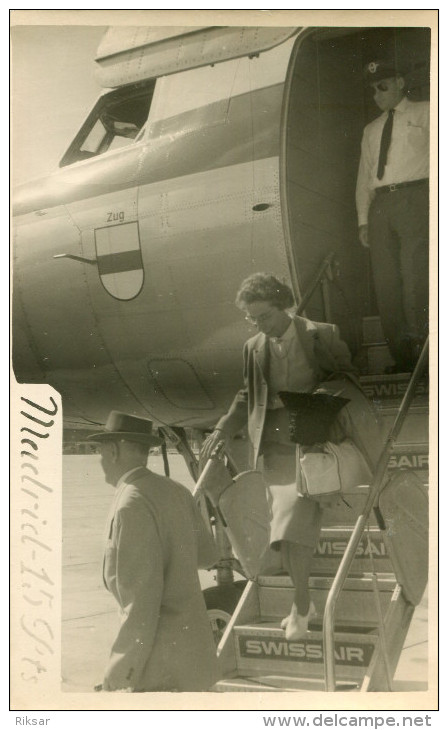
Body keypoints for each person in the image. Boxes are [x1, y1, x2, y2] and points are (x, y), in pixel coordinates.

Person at [201, 273, 356, 641]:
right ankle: (303, 605)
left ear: (283, 306)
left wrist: (315, 403)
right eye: (251, 319)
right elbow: (245, 395)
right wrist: (223, 429)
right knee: (285, 535)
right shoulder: (253, 346)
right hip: (275, 450)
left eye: (264, 317)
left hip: (313, 445)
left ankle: (301, 606)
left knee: (290, 531)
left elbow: (348, 378)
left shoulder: (322, 334)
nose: (258, 326)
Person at [88, 411, 220, 692]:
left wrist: (120, 672)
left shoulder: (130, 502)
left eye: (100, 452)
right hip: (195, 660)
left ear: (113, 451)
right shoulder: (178, 491)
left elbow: (141, 603)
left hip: (159, 668)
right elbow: (208, 556)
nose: (99, 461)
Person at [356, 59, 429, 372]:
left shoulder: (429, 111)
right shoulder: (371, 130)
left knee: (415, 276)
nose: (377, 94)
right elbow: (363, 178)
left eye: (382, 85)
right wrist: (363, 219)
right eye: (372, 89)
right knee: (386, 284)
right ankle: (404, 359)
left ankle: (427, 355)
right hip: (381, 207)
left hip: (417, 198)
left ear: (400, 82)